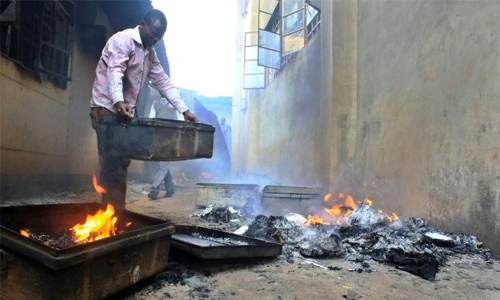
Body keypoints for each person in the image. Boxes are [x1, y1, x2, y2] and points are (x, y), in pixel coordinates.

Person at [89, 9, 198, 209]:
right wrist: (119, 101)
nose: (155, 39)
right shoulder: (122, 41)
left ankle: (114, 216)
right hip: (106, 108)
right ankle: (109, 215)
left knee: (121, 164)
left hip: (123, 113)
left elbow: (163, 82)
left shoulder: (149, 52)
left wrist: (184, 110)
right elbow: (115, 71)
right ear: (142, 24)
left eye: (160, 37)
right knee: (111, 164)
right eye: (154, 34)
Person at [147, 96, 177, 200]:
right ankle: (170, 188)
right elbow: (151, 120)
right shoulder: (155, 103)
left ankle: (154, 189)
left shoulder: (176, 103)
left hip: (171, 138)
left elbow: (182, 122)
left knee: (162, 164)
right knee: (162, 164)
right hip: (159, 138)